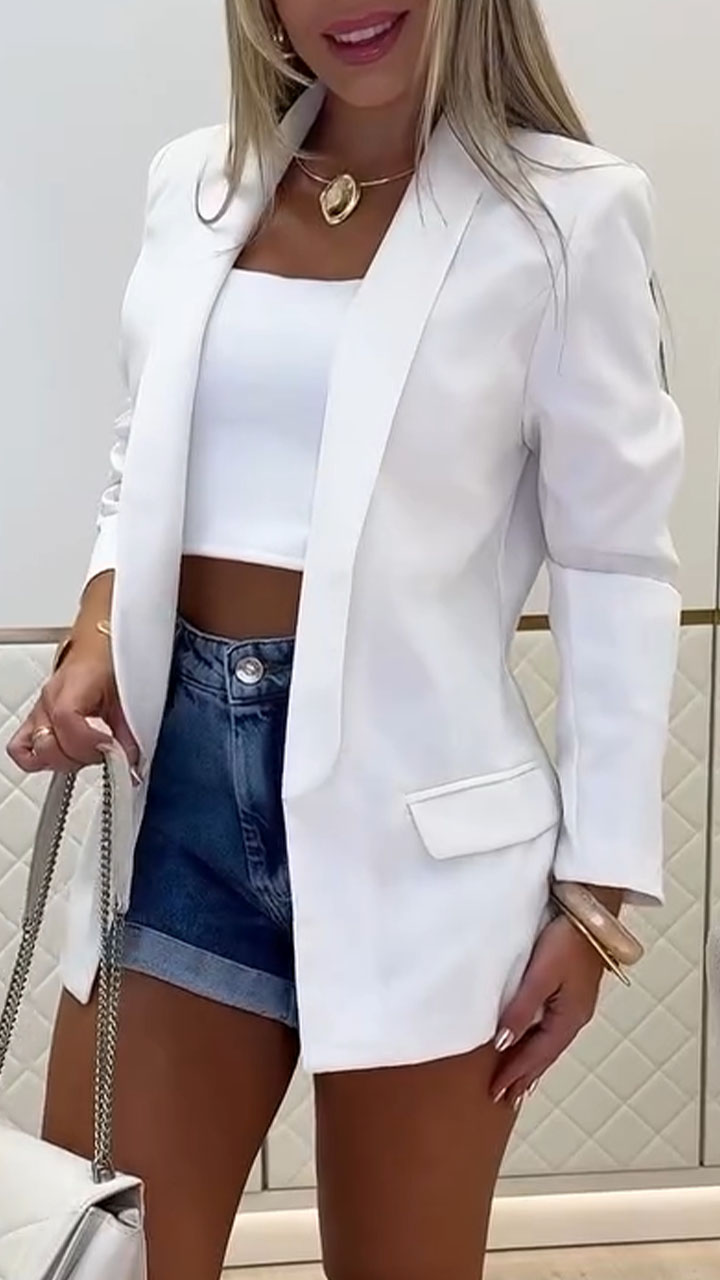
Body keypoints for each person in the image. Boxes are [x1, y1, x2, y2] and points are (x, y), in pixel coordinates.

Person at [7, 1, 683, 1277]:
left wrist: (597, 890)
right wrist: (98, 626)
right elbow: (137, 470)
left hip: (423, 844)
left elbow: (617, 565)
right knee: (103, 1260)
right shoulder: (194, 186)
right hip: (173, 811)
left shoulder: (568, 215)